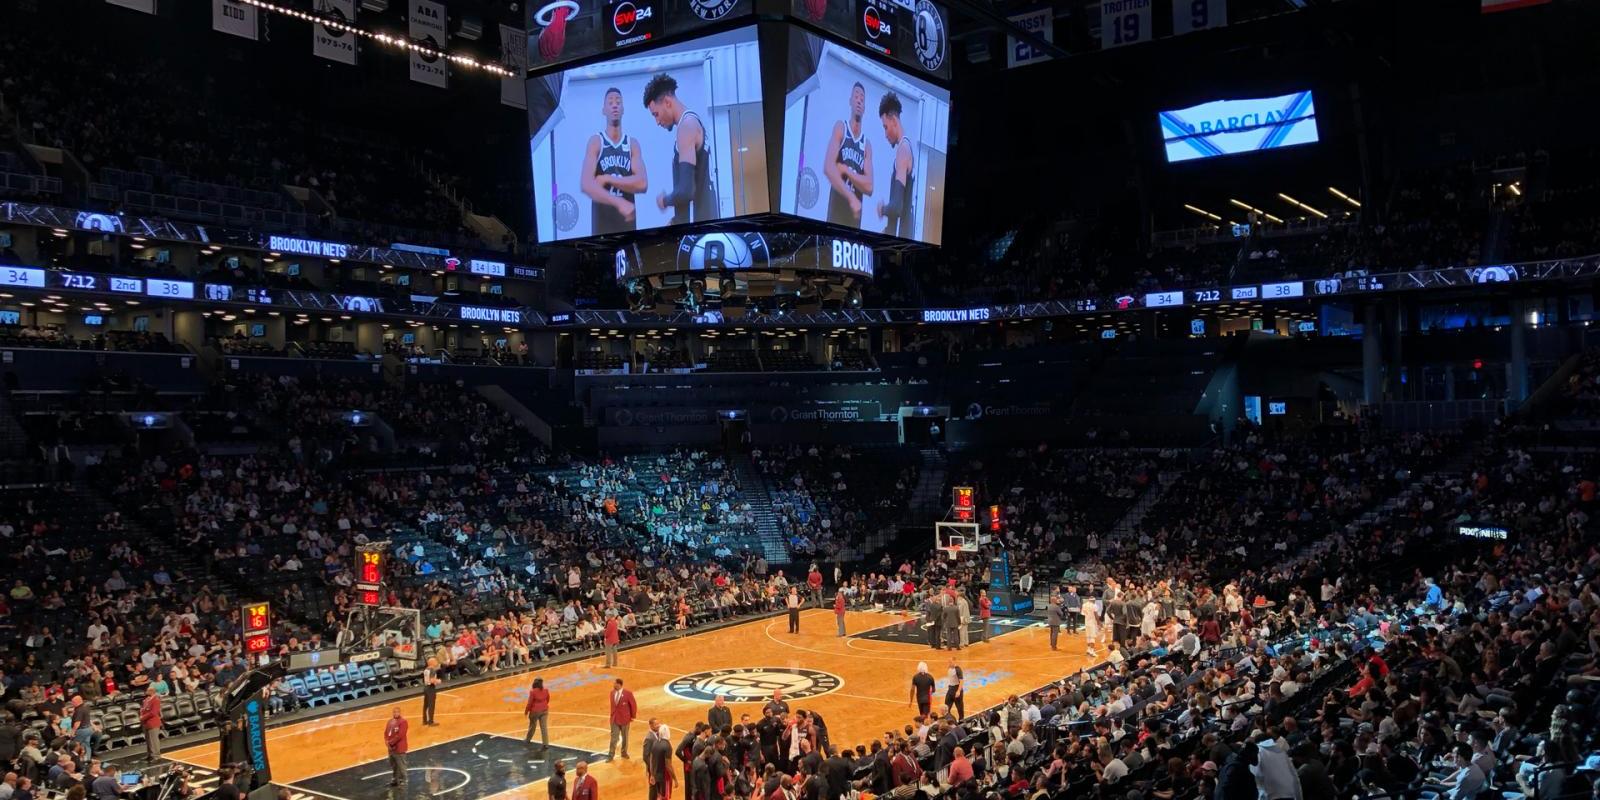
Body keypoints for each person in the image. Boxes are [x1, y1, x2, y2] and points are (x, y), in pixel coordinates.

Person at [644, 73, 715, 225]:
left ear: (667, 102)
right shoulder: (690, 123)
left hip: (697, 227)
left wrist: (664, 200)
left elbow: (686, 191)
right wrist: (676, 220)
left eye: (656, 114)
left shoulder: (686, 126)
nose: (657, 121)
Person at [581, 87, 647, 235]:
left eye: (618, 102)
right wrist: (619, 202)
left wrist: (607, 178)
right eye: (610, 102)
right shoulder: (596, 142)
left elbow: (642, 183)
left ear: (623, 109)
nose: (615, 105)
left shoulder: (632, 144)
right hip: (602, 228)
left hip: (627, 225)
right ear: (603, 110)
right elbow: (586, 184)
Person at [824, 81, 874, 228]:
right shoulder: (841, 128)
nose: (859, 100)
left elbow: (869, 187)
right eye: (856, 97)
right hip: (836, 214)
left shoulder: (866, 144)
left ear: (864, 108)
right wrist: (851, 196)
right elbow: (829, 168)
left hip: (854, 221)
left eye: (862, 99)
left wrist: (846, 170)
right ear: (850, 101)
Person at [875, 92, 915, 238]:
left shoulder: (903, 150)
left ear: (893, 120)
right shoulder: (905, 148)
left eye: (885, 127)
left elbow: (897, 207)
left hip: (901, 239)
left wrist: (882, 209)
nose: (885, 134)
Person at [644, 721, 676, 800]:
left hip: (656, 772)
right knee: (664, 796)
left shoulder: (656, 742)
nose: (658, 726)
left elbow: (651, 759)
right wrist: (675, 779)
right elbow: (668, 765)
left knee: (659, 794)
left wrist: (652, 773)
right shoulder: (667, 746)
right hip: (664, 775)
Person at [608, 678, 638, 760]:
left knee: (625, 737)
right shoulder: (612, 693)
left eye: (614, 683)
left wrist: (632, 716)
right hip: (614, 719)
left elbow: (633, 705)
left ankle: (624, 753)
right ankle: (610, 755)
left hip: (625, 719)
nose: (613, 685)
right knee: (614, 737)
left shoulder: (628, 694)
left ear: (619, 684)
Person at [384, 708, 409, 787]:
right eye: (394, 712)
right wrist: (386, 741)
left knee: (401, 765)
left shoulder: (403, 722)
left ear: (400, 712)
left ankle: (403, 780)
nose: (395, 713)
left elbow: (400, 735)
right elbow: (386, 733)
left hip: (399, 748)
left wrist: (390, 742)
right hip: (391, 748)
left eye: (397, 712)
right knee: (394, 765)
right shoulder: (390, 721)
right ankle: (395, 779)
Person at [524, 676, 550, 751]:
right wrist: (544, 705)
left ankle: (528, 739)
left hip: (535, 711)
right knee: (544, 727)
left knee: (532, 726)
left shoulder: (533, 692)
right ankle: (545, 744)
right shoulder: (546, 690)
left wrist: (526, 711)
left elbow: (529, 703)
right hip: (544, 710)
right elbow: (548, 699)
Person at [139, 686, 162, 762]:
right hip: (146, 723)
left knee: (154, 740)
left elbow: (153, 713)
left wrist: (143, 717)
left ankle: (156, 756)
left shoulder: (156, 700)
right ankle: (150, 755)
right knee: (148, 740)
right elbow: (142, 709)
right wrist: (141, 715)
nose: (146, 691)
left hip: (153, 723)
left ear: (152, 691)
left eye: (148, 690)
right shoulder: (146, 700)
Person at [421, 657, 441, 726]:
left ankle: (424, 721)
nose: (436, 662)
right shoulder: (432, 670)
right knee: (431, 705)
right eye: (435, 661)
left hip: (426, 688)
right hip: (430, 688)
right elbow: (432, 680)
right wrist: (438, 681)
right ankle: (431, 722)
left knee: (426, 705)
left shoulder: (426, 669)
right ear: (432, 663)